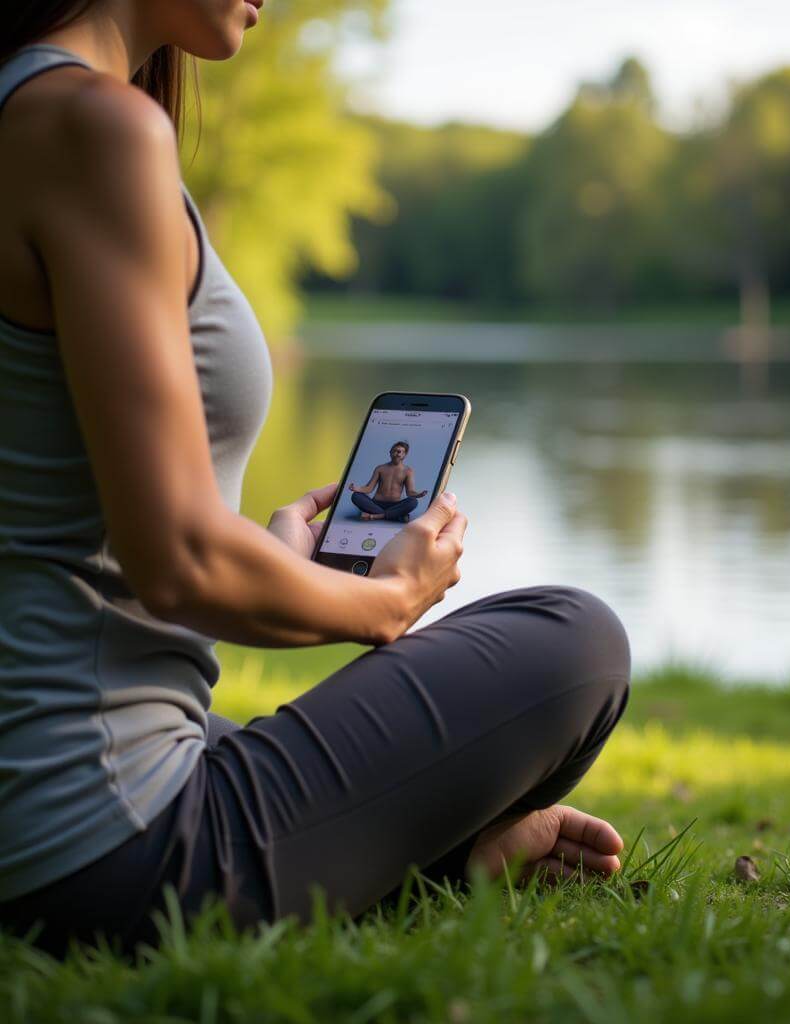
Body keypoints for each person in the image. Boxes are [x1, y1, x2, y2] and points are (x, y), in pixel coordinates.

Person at [0, 1, 631, 958]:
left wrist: (261, 550)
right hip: (103, 849)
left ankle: (433, 863)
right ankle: (421, 863)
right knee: (579, 643)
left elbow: (53, 530)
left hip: (48, 796)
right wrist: (382, 603)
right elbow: (172, 563)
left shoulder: (26, 114)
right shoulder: (100, 127)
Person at [349, 441, 426, 522]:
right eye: (394, 451)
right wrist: (356, 488)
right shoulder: (380, 468)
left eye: (399, 452)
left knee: (413, 502)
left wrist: (418, 494)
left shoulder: (408, 471)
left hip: (395, 505)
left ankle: (376, 516)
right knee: (356, 496)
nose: (397, 453)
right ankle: (395, 516)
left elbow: (409, 492)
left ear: (404, 455)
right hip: (376, 504)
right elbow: (369, 488)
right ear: (390, 452)